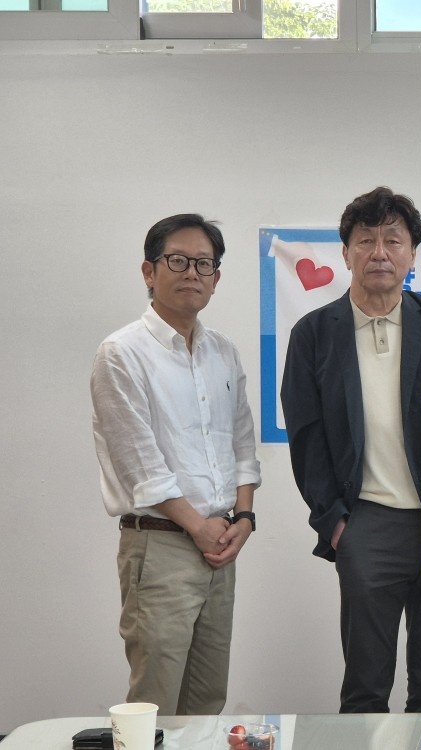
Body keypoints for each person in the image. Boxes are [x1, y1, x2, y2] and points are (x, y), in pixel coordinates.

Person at [280, 186, 421, 714]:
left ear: (412, 253)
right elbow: (307, 438)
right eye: (365, 240)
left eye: (393, 240)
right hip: (366, 522)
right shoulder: (313, 334)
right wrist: (335, 523)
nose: (379, 252)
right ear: (345, 252)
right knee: (365, 690)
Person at [90, 214, 261, 715]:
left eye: (204, 264)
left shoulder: (222, 351)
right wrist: (199, 527)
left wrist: (244, 518)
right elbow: (138, 463)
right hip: (161, 546)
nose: (192, 272)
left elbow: (242, 443)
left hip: (220, 547)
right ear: (149, 271)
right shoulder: (121, 353)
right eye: (178, 260)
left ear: (216, 278)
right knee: (156, 704)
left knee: (207, 701)